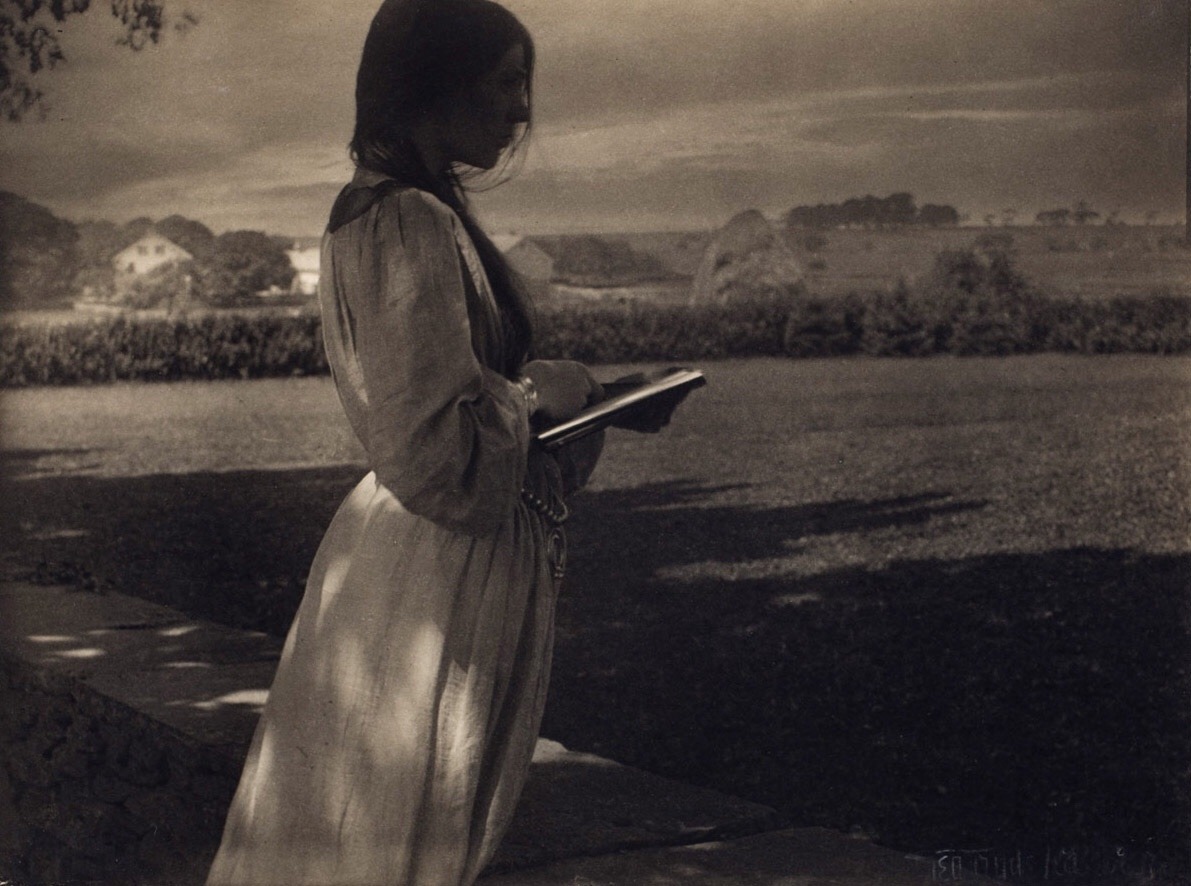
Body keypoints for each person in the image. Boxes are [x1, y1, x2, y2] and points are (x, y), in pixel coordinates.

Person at [206, 1, 605, 882]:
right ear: (434, 82)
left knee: (392, 825)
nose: (522, 110)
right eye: (506, 82)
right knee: (403, 829)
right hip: (437, 567)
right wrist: (540, 392)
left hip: (428, 555)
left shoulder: (404, 213)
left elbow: (443, 406)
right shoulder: (404, 221)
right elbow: (437, 450)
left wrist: (577, 408)